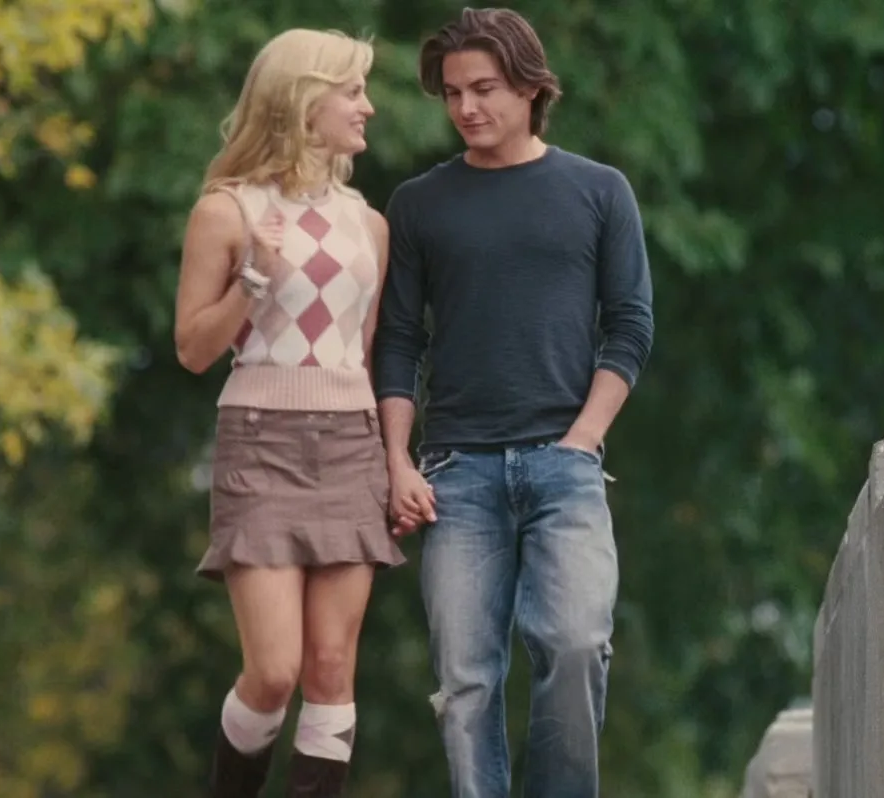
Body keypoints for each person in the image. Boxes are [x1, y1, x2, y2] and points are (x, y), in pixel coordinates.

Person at [371, 7, 654, 796]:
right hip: (455, 472)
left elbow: (630, 326)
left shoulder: (599, 191)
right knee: (465, 682)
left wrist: (583, 439)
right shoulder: (419, 204)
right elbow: (399, 341)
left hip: (566, 466)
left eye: (484, 88)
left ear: (531, 87)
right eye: (452, 93)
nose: (466, 107)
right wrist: (396, 462)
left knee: (574, 644)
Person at [172, 27, 402, 798]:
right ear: (305, 100)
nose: (368, 107)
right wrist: (256, 281)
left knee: (332, 669)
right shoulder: (226, 211)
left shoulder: (369, 225)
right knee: (274, 672)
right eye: (353, 92)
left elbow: (364, 357)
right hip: (260, 442)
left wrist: (393, 462)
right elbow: (192, 349)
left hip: (349, 447)